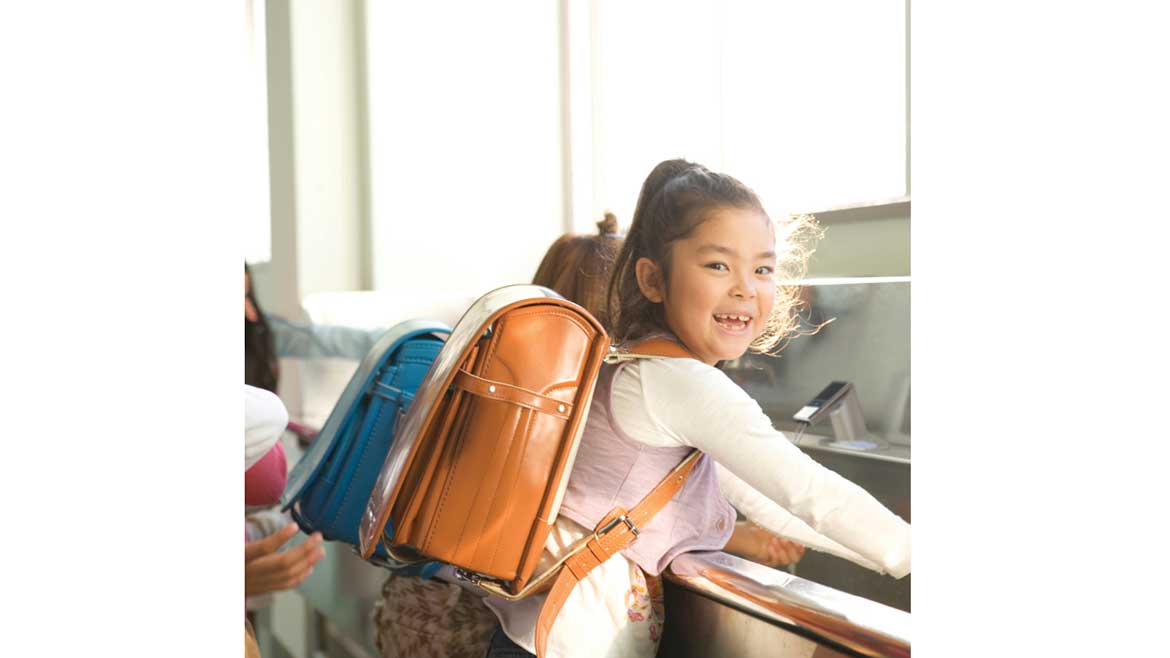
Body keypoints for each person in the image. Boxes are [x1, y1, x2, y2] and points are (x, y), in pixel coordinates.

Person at [478, 159, 910, 658]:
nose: (745, 287)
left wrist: (896, 554)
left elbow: (769, 501)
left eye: (763, 268)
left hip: (531, 637)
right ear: (652, 280)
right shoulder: (685, 385)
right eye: (718, 265)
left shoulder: (636, 365)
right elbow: (810, 493)